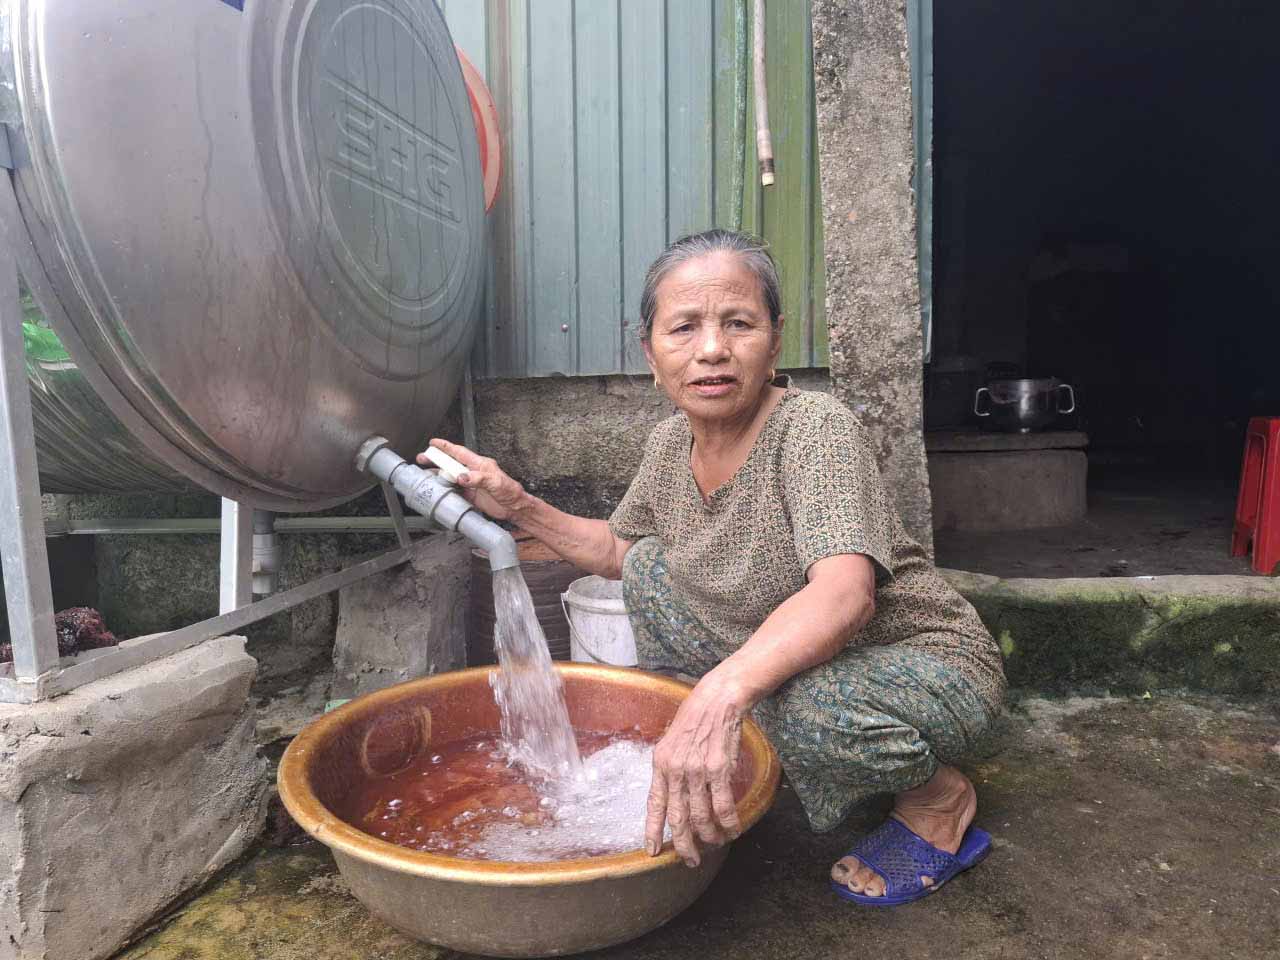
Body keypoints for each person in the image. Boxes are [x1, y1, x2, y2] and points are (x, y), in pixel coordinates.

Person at [419, 229, 1006, 905]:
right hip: (813, 664)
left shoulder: (815, 429)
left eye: (738, 324)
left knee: (808, 708)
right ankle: (759, 746)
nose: (712, 350)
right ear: (650, 351)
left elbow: (848, 594)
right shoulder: (673, 442)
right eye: (684, 327)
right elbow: (616, 549)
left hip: (925, 666)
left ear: (775, 339)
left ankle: (937, 799)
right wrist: (516, 504)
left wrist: (719, 696)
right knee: (648, 570)